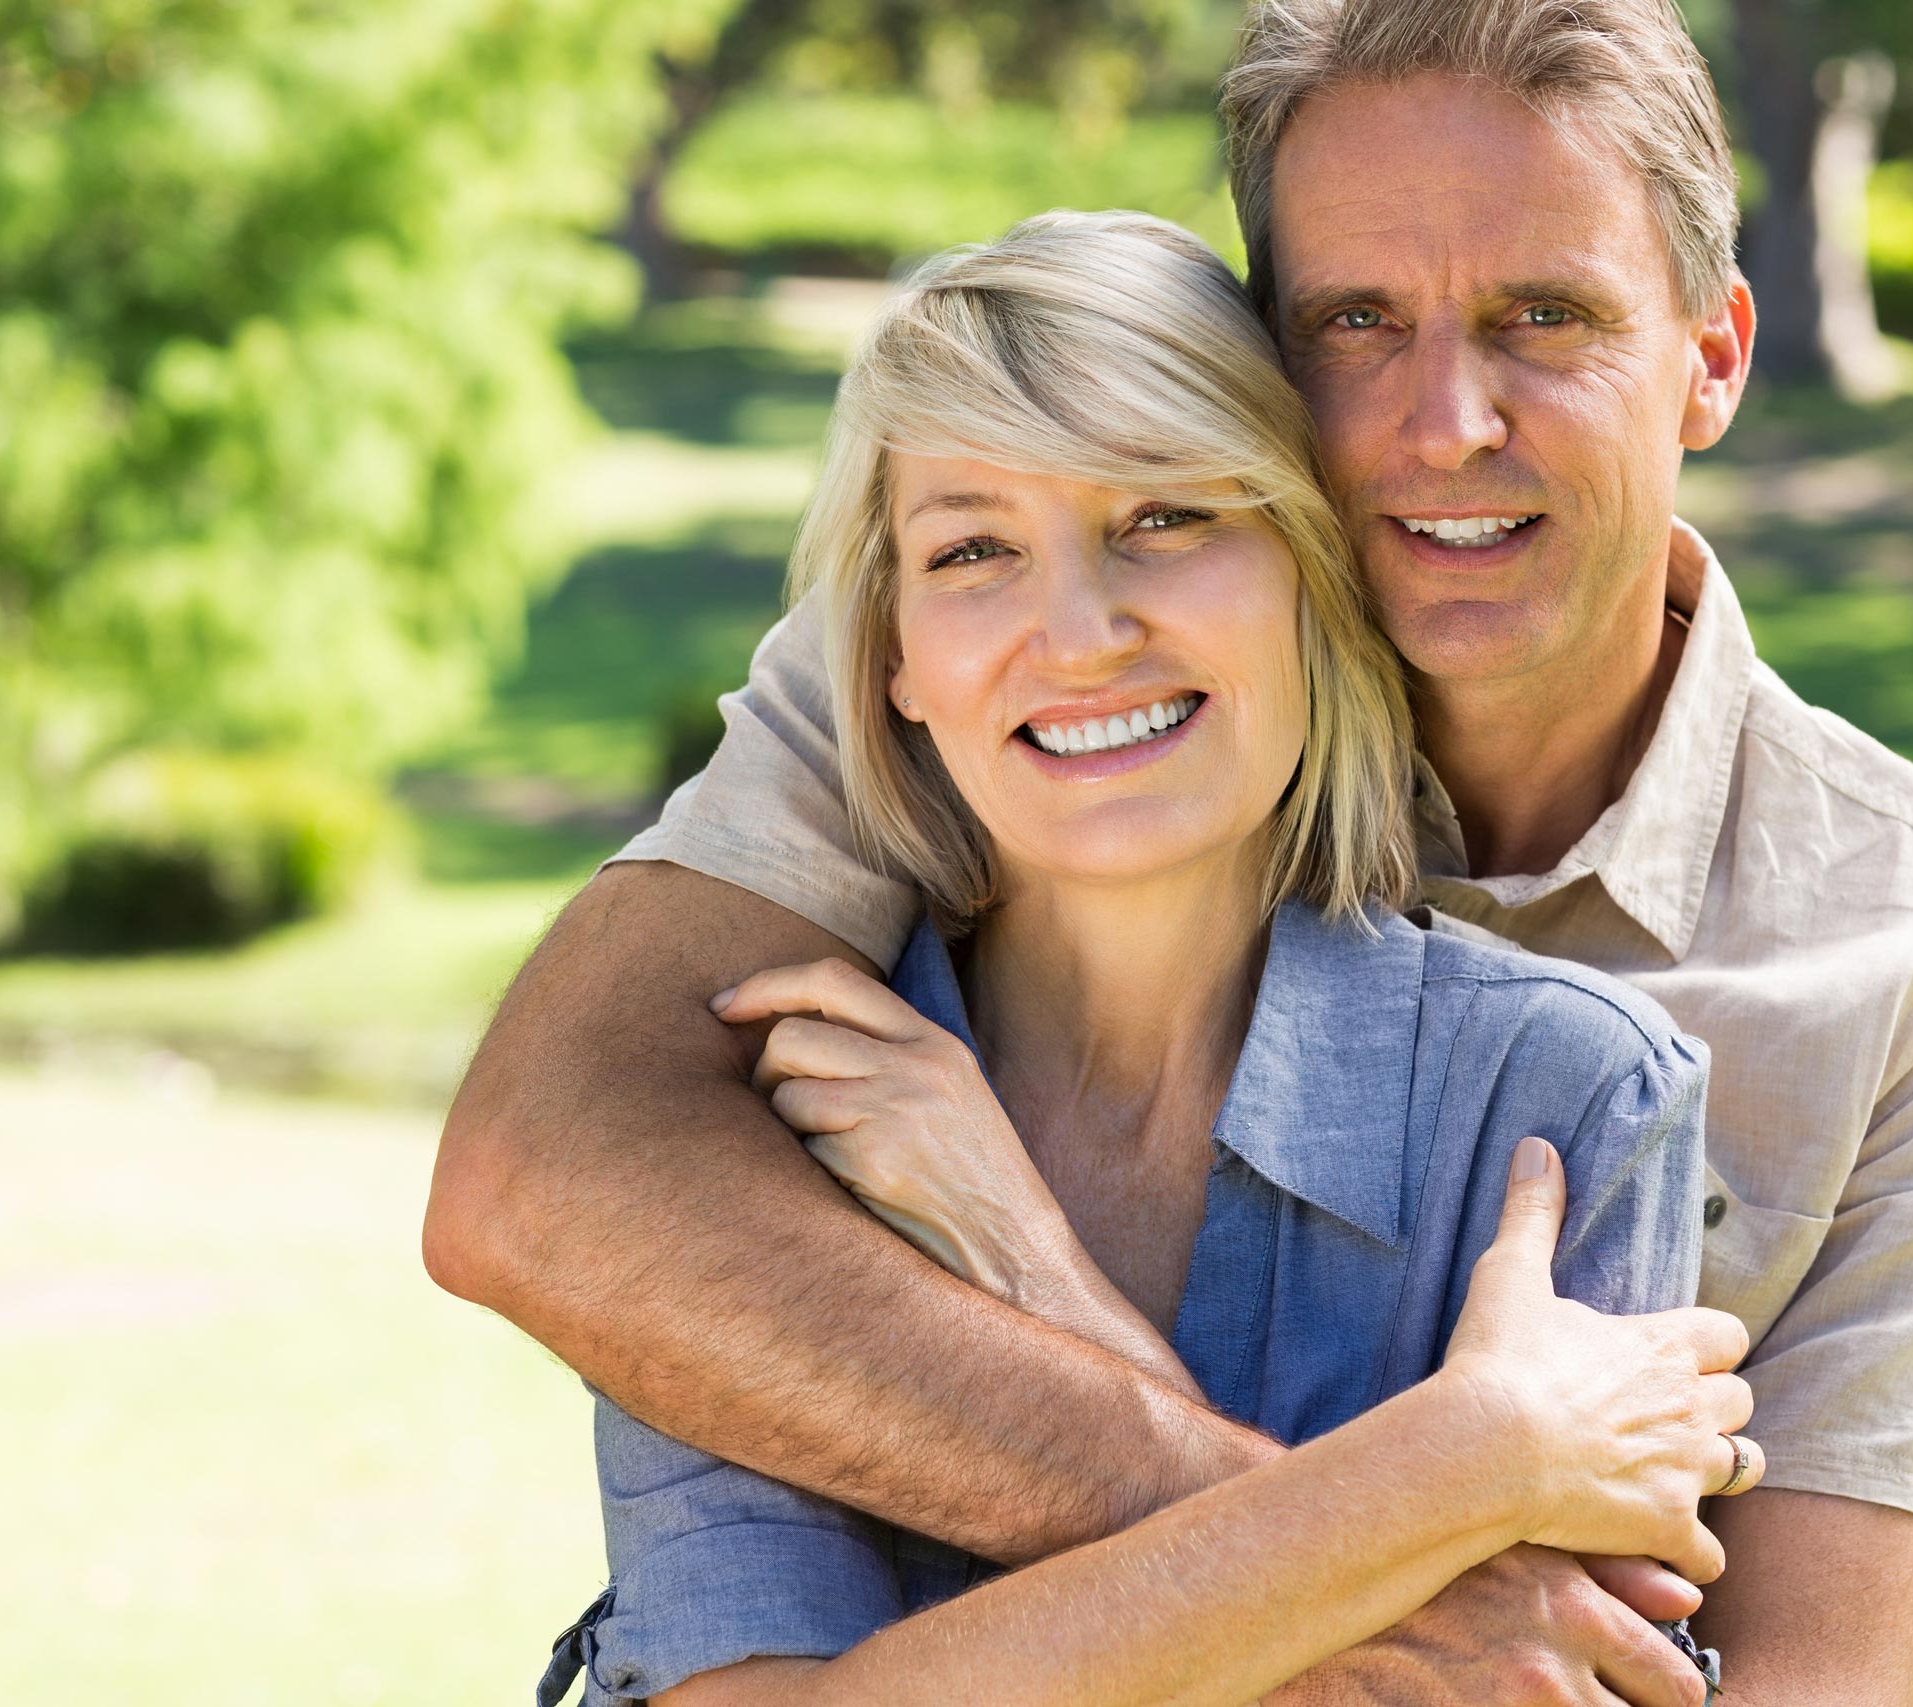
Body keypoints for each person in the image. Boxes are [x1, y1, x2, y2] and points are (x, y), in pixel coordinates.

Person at [426, 2, 1913, 1701]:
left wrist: (1039, 1281)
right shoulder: (1000, 681)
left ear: (1712, 355)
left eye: (1546, 316)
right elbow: (546, 1182)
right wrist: (1430, 1555)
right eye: (1355, 320)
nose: (1446, 420)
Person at [535, 211, 1754, 1707]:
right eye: (973, 548)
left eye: (1165, 519)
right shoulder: (775, 1125)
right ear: (897, 654)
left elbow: (1541, 1687)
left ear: (1312, 573)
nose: (1080, 632)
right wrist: (1469, 1456)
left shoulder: (1566, 1099)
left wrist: (1028, 1262)